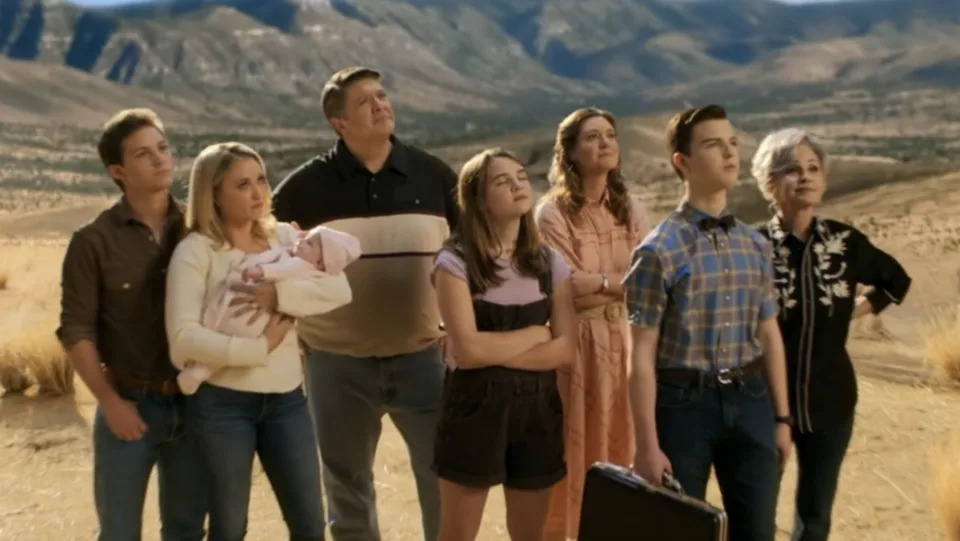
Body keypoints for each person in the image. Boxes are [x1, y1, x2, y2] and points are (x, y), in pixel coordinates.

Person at [271, 66, 458, 540]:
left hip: (424, 358)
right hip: (335, 363)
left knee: (445, 478)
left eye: (382, 95)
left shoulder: (433, 175)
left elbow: (473, 258)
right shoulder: (303, 188)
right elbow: (263, 255)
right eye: (365, 102)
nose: (381, 105)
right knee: (346, 488)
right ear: (339, 123)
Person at [165, 142, 353, 541]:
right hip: (221, 405)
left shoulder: (285, 236)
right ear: (212, 194)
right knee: (231, 527)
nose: (258, 193)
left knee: (309, 524)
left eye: (261, 180)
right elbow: (182, 340)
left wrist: (281, 297)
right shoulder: (196, 251)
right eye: (242, 184)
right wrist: (257, 348)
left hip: (286, 400)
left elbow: (339, 290)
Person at [624, 104, 793, 541]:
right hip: (683, 407)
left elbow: (769, 334)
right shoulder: (657, 250)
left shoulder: (756, 245)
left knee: (758, 532)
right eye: (713, 144)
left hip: (751, 397)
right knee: (680, 531)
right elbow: (640, 355)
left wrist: (781, 419)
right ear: (683, 162)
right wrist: (645, 445)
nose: (729, 153)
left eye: (732, 143)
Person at [751, 128, 911, 541]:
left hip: (832, 402)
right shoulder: (751, 246)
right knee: (756, 512)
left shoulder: (845, 243)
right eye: (790, 169)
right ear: (768, 182)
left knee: (815, 516)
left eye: (812, 168)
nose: (804, 177)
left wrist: (851, 314)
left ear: (823, 179)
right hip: (764, 403)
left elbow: (896, 281)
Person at [55, 108, 208, 540]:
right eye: (144, 154)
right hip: (128, 404)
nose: (161, 160)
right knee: (119, 532)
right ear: (118, 171)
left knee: (187, 530)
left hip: (196, 404)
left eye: (163, 148)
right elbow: (75, 331)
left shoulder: (199, 230)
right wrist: (109, 402)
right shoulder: (93, 242)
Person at [432, 148, 577, 541]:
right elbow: (466, 352)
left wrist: (494, 349)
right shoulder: (455, 262)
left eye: (520, 177)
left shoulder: (550, 263)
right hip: (473, 409)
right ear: (477, 199)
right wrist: (535, 334)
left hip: (538, 411)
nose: (517, 185)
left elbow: (565, 350)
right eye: (502, 180)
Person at [534, 107, 652, 539]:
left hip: (627, 339)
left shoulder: (633, 210)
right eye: (591, 137)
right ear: (569, 151)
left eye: (610, 135)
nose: (604, 143)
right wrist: (617, 282)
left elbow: (650, 280)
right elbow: (563, 285)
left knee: (626, 443)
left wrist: (601, 284)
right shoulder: (551, 214)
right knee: (573, 447)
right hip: (577, 347)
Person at [175, 224, 361, 395]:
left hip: (260, 325)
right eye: (305, 238)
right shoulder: (293, 247)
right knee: (219, 325)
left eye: (310, 243)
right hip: (244, 314)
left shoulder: (299, 261)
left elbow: (285, 271)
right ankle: (200, 369)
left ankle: (200, 371)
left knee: (231, 330)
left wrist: (269, 283)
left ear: (320, 263)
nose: (301, 240)